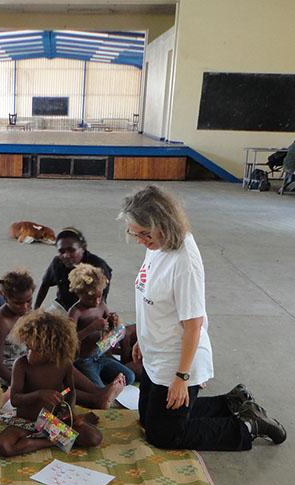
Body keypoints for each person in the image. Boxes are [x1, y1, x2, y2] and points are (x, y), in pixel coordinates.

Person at [120, 185, 286, 451]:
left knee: (163, 436)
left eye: (144, 234)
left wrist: (181, 378)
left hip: (177, 359)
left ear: (163, 225)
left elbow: (194, 326)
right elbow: (151, 298)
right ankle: (231, 402)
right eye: (135, 233)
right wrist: (142, 337)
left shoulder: (184, 262)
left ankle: (246, 427)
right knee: (148, 421)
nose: (140, 240)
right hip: (156, 352)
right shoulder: (157, 244)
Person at [0, 269, 124, 408]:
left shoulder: (24, 311)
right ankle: (93, 399)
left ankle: (97, 391)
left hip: (26, 356)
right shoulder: (2, 322)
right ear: (5, 298)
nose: (25, 307)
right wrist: (18, 383)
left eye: (29, 301)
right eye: (19, 303)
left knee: (61, 362)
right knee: (46, 381)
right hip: (5, 369)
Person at [0, 311, 103, 458]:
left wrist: (70, 413)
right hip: (26, 420)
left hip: (50, 420)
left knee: (94, 438)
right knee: (3, 446)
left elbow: (70, 390)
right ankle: (54, 440)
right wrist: (39, 394)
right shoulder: (22, 364)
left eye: (34, 349)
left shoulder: (64, 364)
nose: (28, 353)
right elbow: (15, 399)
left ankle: (52, 437)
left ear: (51, 348)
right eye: (27, 348)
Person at [67, 263, 136, 388]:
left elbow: (110, 325)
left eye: (99, 297)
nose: (96, 301)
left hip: (100, 354)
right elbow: (69, 341)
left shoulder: (101, 305)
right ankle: (85, 377)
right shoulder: (75, 312)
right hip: (83, 360)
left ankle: (99, 375)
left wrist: (112, 320)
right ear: (78, 293)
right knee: (99, 389)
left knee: (130, 377)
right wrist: (91, 328)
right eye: (90, 299)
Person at [33, 227, 113, 311]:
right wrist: (36, 309)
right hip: (63, 306)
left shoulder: (98, 266)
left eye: (71, 250)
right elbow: (45, 284)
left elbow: (101, 297)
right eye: (61, 251)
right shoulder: (58, 263)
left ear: (83, 248)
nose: (66, 255)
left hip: (90, 308)